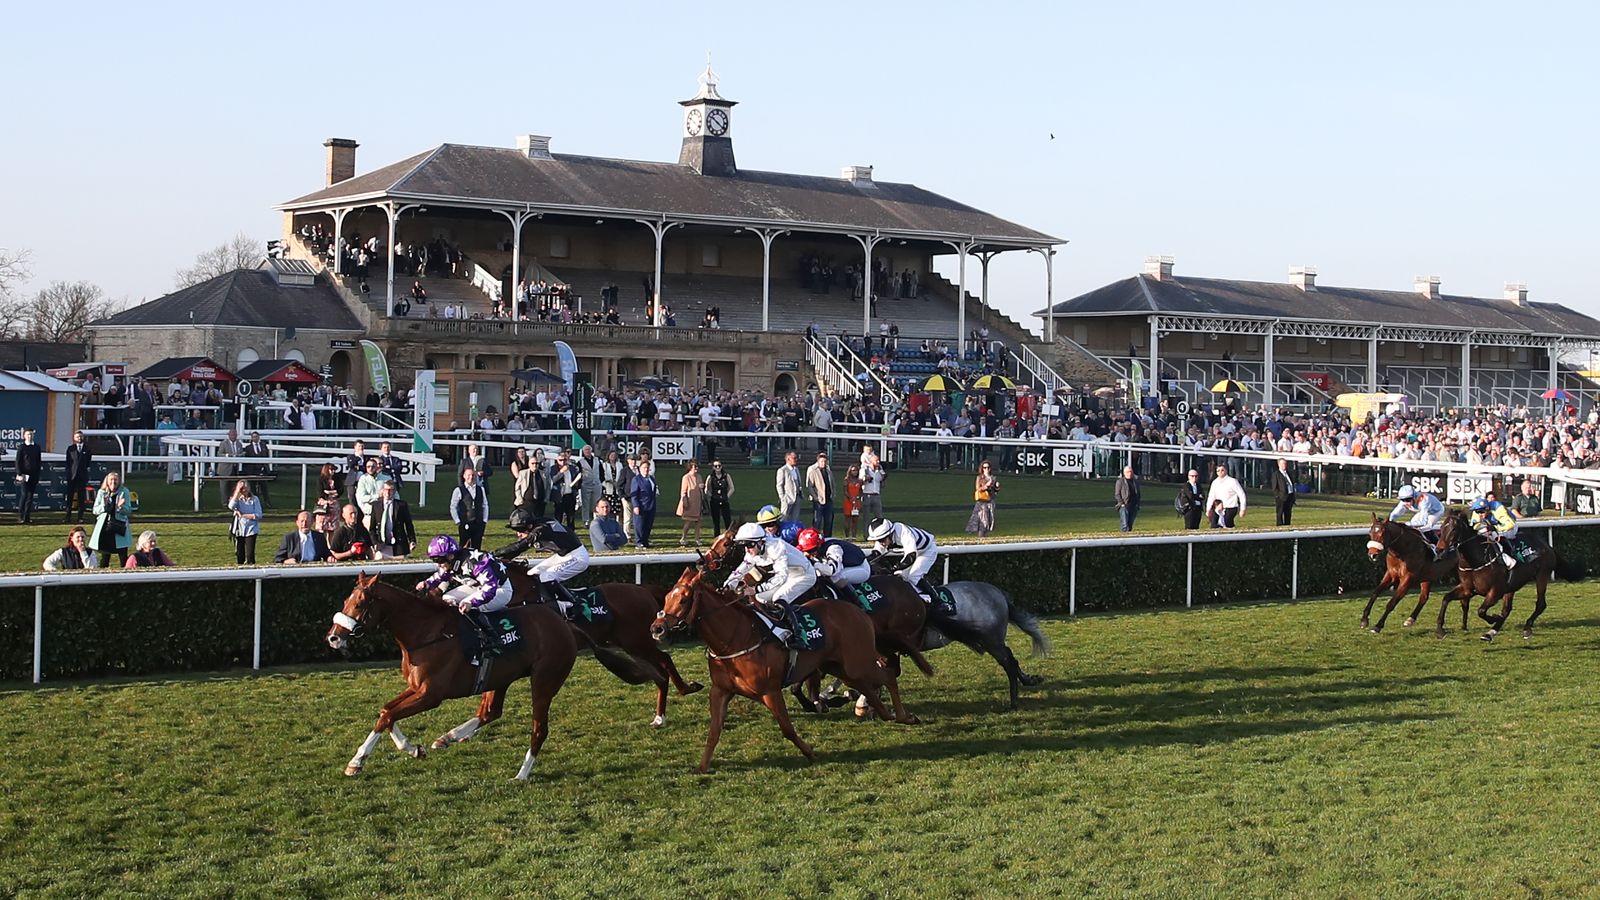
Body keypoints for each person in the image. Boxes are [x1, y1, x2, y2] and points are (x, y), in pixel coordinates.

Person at [415, 535, 509, 665]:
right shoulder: (452, 562)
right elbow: (442, 574)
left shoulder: (474, 563)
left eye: (439, 559)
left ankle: (492, 641)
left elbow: (490, 588)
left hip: (500, 590)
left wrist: (471, 602)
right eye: (434, 560)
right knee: (447, 599)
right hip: (478, 587)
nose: (438, 564)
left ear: (450, 556)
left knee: (465, 607)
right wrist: (427, 583)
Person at [724, 521, 816, 645]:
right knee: (760, 598)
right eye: (744, 546)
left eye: (749, 545)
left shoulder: (776, 548)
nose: (747, 549)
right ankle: (773, 628)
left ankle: (798, 636)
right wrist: (729, 583)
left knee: (779, 598)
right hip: (789, 575)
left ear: (760, 542)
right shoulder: (754, 550)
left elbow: (781, 576)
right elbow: (743, 568)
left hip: (804, 575)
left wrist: (756, 588)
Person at [495, 508, 590, 612]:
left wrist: (494, 554)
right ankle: (547, 601)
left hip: (578, 556)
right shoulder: (539, 525)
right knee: (532, 574)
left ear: (529, 526)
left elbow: (520, 547)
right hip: (563, 555)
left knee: (547, 576)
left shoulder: (540, 530)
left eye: (520, 531)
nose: (518, 534)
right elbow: (516, 551)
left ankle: (573, 605)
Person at [864, 516, 938, 604]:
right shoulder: (884, 538)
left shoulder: (903, 531)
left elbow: (911, 556)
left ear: (890, 534)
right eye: (878, 540)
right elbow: (876, 555)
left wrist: (895, 568)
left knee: (913, 577)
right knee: (902, 577)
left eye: (882, 539)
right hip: (914, 551)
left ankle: (937, 601)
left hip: (927, 550)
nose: (881, 543)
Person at [796, 527, 871, 593]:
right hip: (844, 565)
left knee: (836, 578)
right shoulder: (822, 544)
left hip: (861, 568)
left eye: (811, 550)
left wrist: (814, 563)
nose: (808, 553)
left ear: (819, 545)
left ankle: (857, 602)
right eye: (806, 551)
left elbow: (832, 571)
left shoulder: (833, 549)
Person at [90, 471, 133, 567]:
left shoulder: (124, 491)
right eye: (111, 480)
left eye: (116, 480)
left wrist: (120, 507)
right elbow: (95, 510)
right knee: (105, 557)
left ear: (119, 481)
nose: (113, 482)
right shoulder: (102, 492)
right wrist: (104, 507)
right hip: (106, 529)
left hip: (119, 528)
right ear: (107, 481)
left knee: (123, 556)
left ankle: (125, 578)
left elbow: (129, 510)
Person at [1470, 492, 1521, 568]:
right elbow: (1475, 526)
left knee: (1493, 535)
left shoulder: (1498, 508)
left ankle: (1507, 559)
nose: (1479, 514)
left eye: (1481, 511)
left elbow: (1510, 524)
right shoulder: (1477, 511)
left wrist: (1495, 528)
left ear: (1487, 508)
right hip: (1494, 526)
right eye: (1477, 511)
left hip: (1510, 528)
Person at [369, 480, 416, 559]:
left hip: (399, 545)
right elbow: (372, 528)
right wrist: (375, 543)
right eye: (386, 489)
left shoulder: (401, 505)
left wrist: (412, 540)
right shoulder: (376, 505)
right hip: (382, 545)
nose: (388, 492)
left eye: (390, 490)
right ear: (382, 490)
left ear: (394, 491)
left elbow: (409, 524)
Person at [451, 467, 490, 551]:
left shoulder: (481, 489)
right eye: (468, 475)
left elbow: (485, 505)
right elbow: (453, 507)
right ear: (464, 476)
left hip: (478, 522)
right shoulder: (458, 490)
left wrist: (484, 520)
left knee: (477, 547)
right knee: (464, 546)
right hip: (465, 522)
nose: (471, 477)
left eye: (472, 475)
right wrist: (458, 521)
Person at [228, 479, 263, 565]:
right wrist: (237, 492)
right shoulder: (237, 500)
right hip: (239, 530)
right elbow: (231, 506)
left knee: (250, 555)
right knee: (240, 554)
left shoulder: (254, 499)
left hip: (251, 529)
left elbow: (258, 515)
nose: (244, 490)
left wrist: (243, 515)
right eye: (242, 488)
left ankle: (252, 575)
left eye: (246, 487)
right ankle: (240, 575)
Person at [13, 427, 42, 524]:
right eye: (28, 434)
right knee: (24, 495)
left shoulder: (37, 447)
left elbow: (38, 462)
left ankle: (27, 517)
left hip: (33, 475)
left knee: (30, 497)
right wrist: (19, 473)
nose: (30, 436)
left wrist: (37, 475)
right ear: (24, 436)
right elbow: (18, 462)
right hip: (24, 475)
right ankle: (20, 516)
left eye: (31, 434)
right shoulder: (21, 447)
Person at [1205, 463, 1247, 528]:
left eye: (1222, 470)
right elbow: (1211, 496)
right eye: (1218, 471)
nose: (1220, 472)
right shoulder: (1215, 482)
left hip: (1230, 507)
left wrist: (1242, 509)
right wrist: (1208, 509)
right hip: (1217, 508)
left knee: (1227, 524)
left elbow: (1241, 495)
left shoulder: (1232, 481)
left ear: (1226, 471)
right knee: (1214, 525)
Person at [64, 431, 93, 524]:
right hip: (72, 477)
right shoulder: (70, 449)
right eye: (77, 437)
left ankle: (80, 517)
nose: (79, 438)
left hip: (82, 476)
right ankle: (67, 517)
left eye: (80, 436)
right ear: (74, 438)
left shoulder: (87, 449)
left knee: (81, 498)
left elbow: (88, 462)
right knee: (70, 497)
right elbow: (68, 462)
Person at [805, 451, 836, 537]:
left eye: (825, 461)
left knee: (829, 520)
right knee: (817, 520)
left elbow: (832, 484)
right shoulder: (813, 472)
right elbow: (810, 486)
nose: (823, 463)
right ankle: (815, 537)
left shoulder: (829, 472)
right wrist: (815, 497)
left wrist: (833, 494)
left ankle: (827, 537)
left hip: (828, 499)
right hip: (819, 500)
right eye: (821, 461)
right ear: (818, 462)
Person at [966, 460, 1000, 537]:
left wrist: (997, 487)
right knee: (982, 522)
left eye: (988, 467)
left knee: (988, 522)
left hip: (990, 501)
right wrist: (986, 485)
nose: (986, 469)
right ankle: (981, 538)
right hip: (982, 502)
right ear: (982, 468)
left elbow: (995, 491)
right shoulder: (979, 478)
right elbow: (978, 489)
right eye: (984, 467)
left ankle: (984, 538)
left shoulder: (993, 478)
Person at [630, 460, 658, 548]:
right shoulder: (636, 479)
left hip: (651, 505)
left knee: (648, 525)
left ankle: (645, 541)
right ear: (640, 468)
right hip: (641, 505)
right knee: (639, 525)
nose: (646, 470)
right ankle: (639, 542)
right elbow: (634, 494)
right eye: (644, 468)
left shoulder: (651, 479)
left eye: (647, 468)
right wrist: (636, 506)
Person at [703, 458, 735, 536]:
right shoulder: (710, 477)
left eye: (719, 466)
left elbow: (732, 488)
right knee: (716, 521)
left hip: (724, 500)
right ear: (713, 467)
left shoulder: (726, 476)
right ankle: (716, 537)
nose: (717, 468)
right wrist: (712, 496)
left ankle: (728, 536)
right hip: (714, 501)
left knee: (727, 520)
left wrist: (727, 496)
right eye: (715, 466)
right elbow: (706, 489)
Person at [354, 457, 390, 526]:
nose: (370, 468)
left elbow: (394, 494)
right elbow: (362, 498)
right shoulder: (363, 479)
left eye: (373, 466)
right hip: (369, 514)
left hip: (384, 514)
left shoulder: (386, 478)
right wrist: (377, 496)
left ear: (377, 467)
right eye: (368, 467)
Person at [676, 459, 704, 546]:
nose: (696, 468)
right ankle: (683, 537)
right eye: (694, 466)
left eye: (697, 466)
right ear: (690, 467)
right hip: (690, 503)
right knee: (688, 522)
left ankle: (697, 539)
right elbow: (683, 492)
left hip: (698, 502)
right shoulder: (686, 477)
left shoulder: (699, 476)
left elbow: (701, 488)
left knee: (698, 522)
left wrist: (702, 487)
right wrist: (685, 502)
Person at [858, 451, 885, 538]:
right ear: (871, 462)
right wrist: (865, 479)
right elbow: (860, 482)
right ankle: (866, 535)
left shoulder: (879, 471)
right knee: (866, 517)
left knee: (879, 516)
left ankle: (881, 533)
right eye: (876, 461)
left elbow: (881, 481)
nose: (878, 462)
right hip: (867, 495)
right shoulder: (864, 470)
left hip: (876, 495)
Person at [214, 428, 241, 506]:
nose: (233, 436)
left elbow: (241, 453)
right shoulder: (223, 443)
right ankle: (224, 503)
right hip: (224, 469)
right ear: (229, 435)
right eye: (232, 435)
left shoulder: (239, 444)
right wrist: (227, 455)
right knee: (224, 487)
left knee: (234, 487)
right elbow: (219, 454)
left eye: (235, 435)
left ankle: (232, 502)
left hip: (235, 469)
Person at [775, 450, 803, 522]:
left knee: (795, 519)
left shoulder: (796, 469)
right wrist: (783, 498)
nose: (796, 460)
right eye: (794, 458)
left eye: (796, 458)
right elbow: (779, 485)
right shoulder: (782, 470)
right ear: (788, 459)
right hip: (787, 498)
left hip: (797, 497)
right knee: (784, 518)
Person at [1114, 465, 1141, 532]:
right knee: (1124, 524)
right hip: (1125, 505)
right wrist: (1122, 503)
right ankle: (1124, 537)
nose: (1130, 473)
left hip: (1133, 505)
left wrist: (1137, 504)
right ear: (1124, 473)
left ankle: (1129, 535)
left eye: (1131, 472)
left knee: (1130, 523)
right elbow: (1117, 494)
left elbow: (1138, 493)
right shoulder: (1120, 482)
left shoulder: (1135, 482)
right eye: (1128, 472)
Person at [1271, 458, 1297, 526]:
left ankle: (1287, 525)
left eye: (1285, 464)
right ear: (1279, 464)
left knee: (1288, 513)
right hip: (1281, 497)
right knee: (1280, 513)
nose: (1284, 465)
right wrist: (1279, 495)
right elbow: (1274, 488)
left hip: (1289, 496)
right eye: (1282, 464)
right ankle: (1279, 526)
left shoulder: (1289, 473)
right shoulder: (1276, 474)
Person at [343, 439, 368, 508]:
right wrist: (358, 458)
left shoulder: (366, 458)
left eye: (362, 446)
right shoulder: (351, 457)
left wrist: (359, 467)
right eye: (359, 446)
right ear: (355, 447)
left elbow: (367, 468)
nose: (361, 448)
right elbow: (351, 465)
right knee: (352, 498)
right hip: (352, 481)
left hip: (363, 481)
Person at [842, 464, 863, 539]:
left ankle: (854, 536)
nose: (855, 472)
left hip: (856, 501)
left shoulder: (859, 481)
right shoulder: (846, 480)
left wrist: (858, 497)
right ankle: (847, 536)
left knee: (855, 519)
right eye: (853, 470)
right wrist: (850, 498)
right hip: (848, 501)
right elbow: (845, 491)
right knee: (847, 518)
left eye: (856, 470)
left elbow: (861, 491)